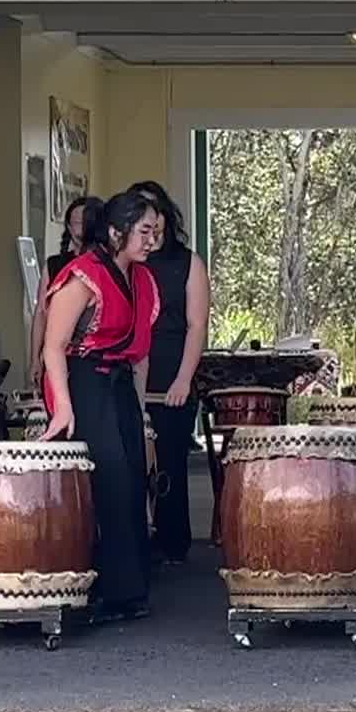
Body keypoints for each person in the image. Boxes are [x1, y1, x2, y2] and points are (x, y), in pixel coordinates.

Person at [40, 191, 162, 621]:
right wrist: (62, 407)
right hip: (85, 383)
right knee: (106, 477)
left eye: (155, 232)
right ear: (116, 232)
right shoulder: (83, 275)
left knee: (131, 477)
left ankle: (127, 590)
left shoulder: (142, 279)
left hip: (120, 383)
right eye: (144, 232)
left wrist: (141, 408)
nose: (151, 241)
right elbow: (53, 348)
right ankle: (98, 587)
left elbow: (139, 354)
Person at [129, 180, 212, 565]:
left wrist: (183, 379)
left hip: (175, 369)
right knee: (131, 464)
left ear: (165, 215)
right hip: (134, 371)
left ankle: (173, 547)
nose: (150, 223)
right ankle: (136, 543)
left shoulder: (189, 262)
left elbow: (197, 325)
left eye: (154, 211)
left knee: (171, 463)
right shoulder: (130, 263)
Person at [29, 195, 102, 388]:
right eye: (77, 222)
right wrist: (35, 358)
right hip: (59, 353)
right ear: (69, 227)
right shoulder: (55, 264)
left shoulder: (104, 266)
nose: (82, 228)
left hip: (92, 358)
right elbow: (41, 314)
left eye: (87, 222)